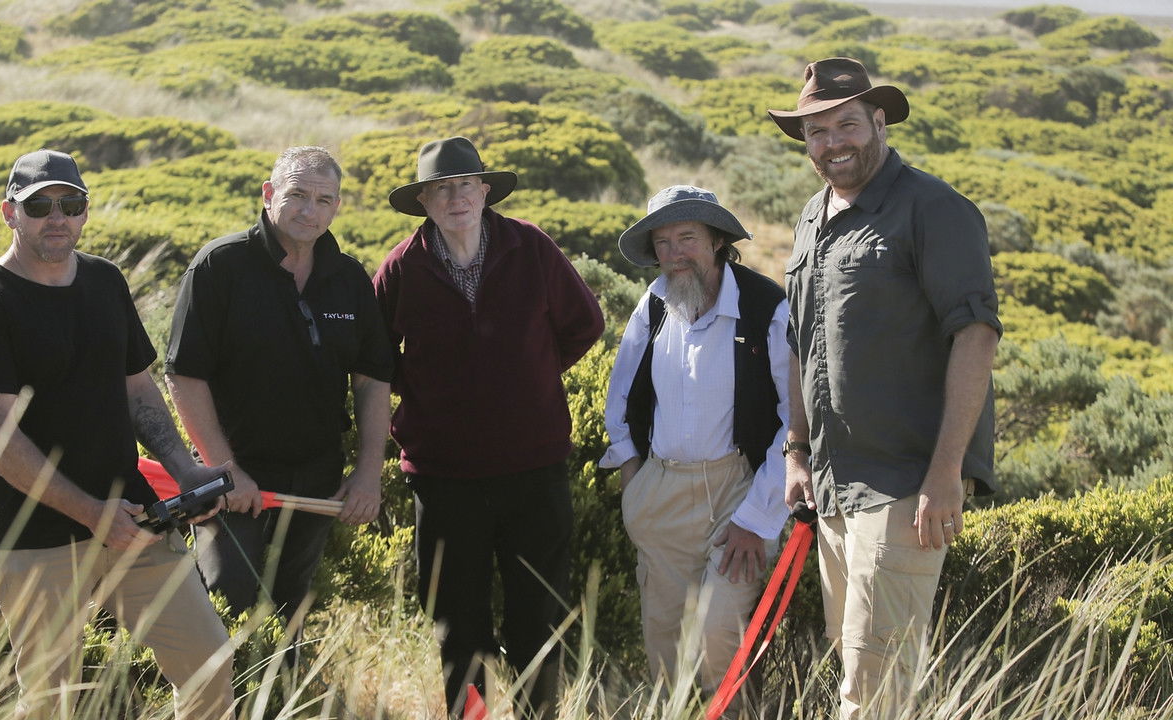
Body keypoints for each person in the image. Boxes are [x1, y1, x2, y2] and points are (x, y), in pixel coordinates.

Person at [0, 149, 234, 720]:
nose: (57, 217)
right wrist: (90, 512)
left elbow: (139, 391)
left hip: (137, 525)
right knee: (52, 702)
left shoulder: (104, 281)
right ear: (9, 212)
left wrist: (184, 468)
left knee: (209, 666)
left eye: (70, 204)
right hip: (35, 541)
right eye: (39, 205)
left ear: (85, 212)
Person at [768, 57, 1002, 719]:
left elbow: (975, 337)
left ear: (878, 121)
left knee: (873, 694)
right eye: (816, 132)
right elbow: (799, 339)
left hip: (904, 487)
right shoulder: (813, 216)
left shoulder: (936, 210)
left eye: (846, 124)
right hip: (834, 488)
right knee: (860, 673)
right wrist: (795, 450)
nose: (831, 142)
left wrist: (946, 472)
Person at [372, 136, 604, 718]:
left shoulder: (531, 247)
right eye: (442, 189)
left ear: (484, 191)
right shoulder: (403, 266)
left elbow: (585, 324)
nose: (456, 198)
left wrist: (527, 379)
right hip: (443, 477)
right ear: (424, 201)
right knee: (457, 622)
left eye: (466, 185)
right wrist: (424, 392)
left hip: (535, 468)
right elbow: (372, 354)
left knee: (537, 618)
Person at [165, 146, 393, 631]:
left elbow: (372, 380)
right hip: (232, 478)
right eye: (298, 195)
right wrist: (225, 471)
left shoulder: (349, 277)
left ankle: (280, 699)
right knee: (226, 598)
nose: (311, 211)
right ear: (269, 194)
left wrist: (369, 470)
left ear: (337, 207)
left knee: (290, 610)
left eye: (325, 200)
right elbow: (184, 374)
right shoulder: (219, 267)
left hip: (316, 478)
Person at [599, 185, 790, 708]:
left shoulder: (766, 308)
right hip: (660, 494)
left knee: (715, 636)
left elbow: (796, 423)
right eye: (661, 243)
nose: (673, 254)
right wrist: (634, 473)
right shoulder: (654, 303)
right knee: (665, 650)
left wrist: (757, 516)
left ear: (717, 241)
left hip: (736, 493)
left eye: (687, 238)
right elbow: (619, 394)